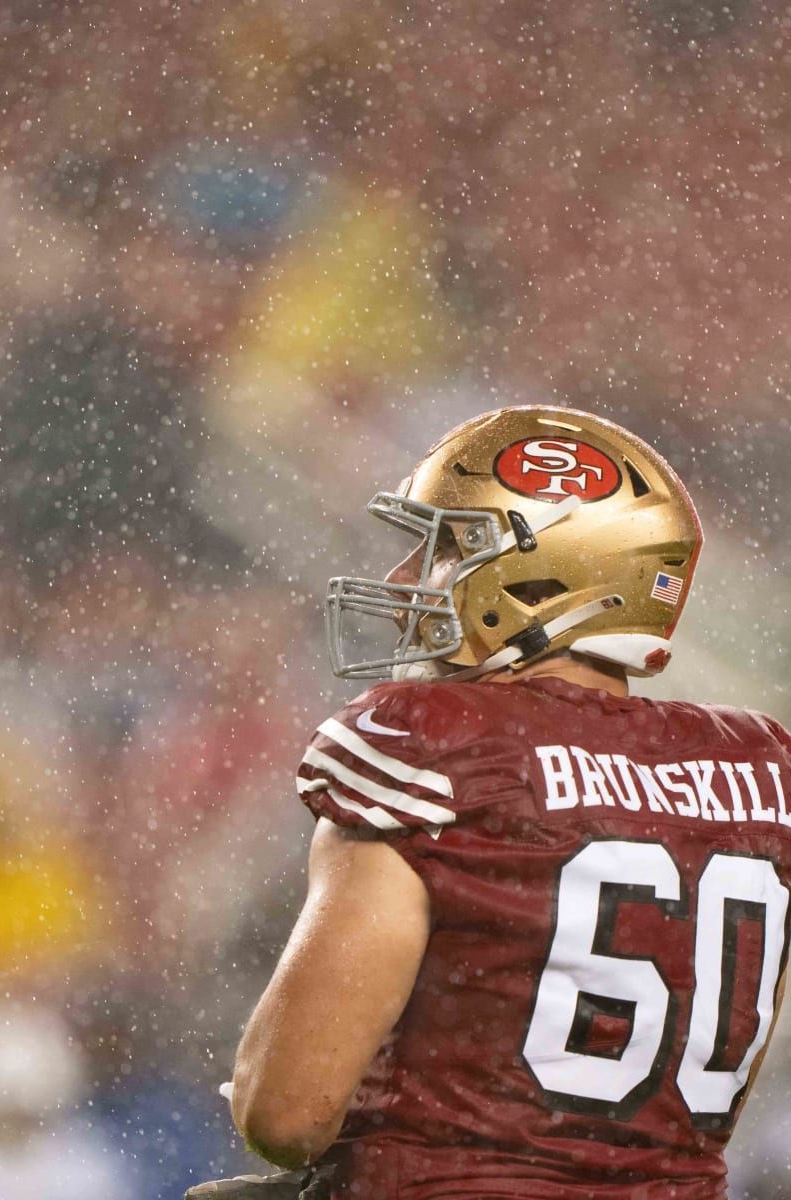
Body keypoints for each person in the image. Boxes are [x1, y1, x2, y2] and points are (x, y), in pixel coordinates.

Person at [215, 408, 791, 1199]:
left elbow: (285, 1115)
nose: (404, 580)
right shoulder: (757, 771)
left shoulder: (436, 745)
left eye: (448, 547)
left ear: (543, 578)